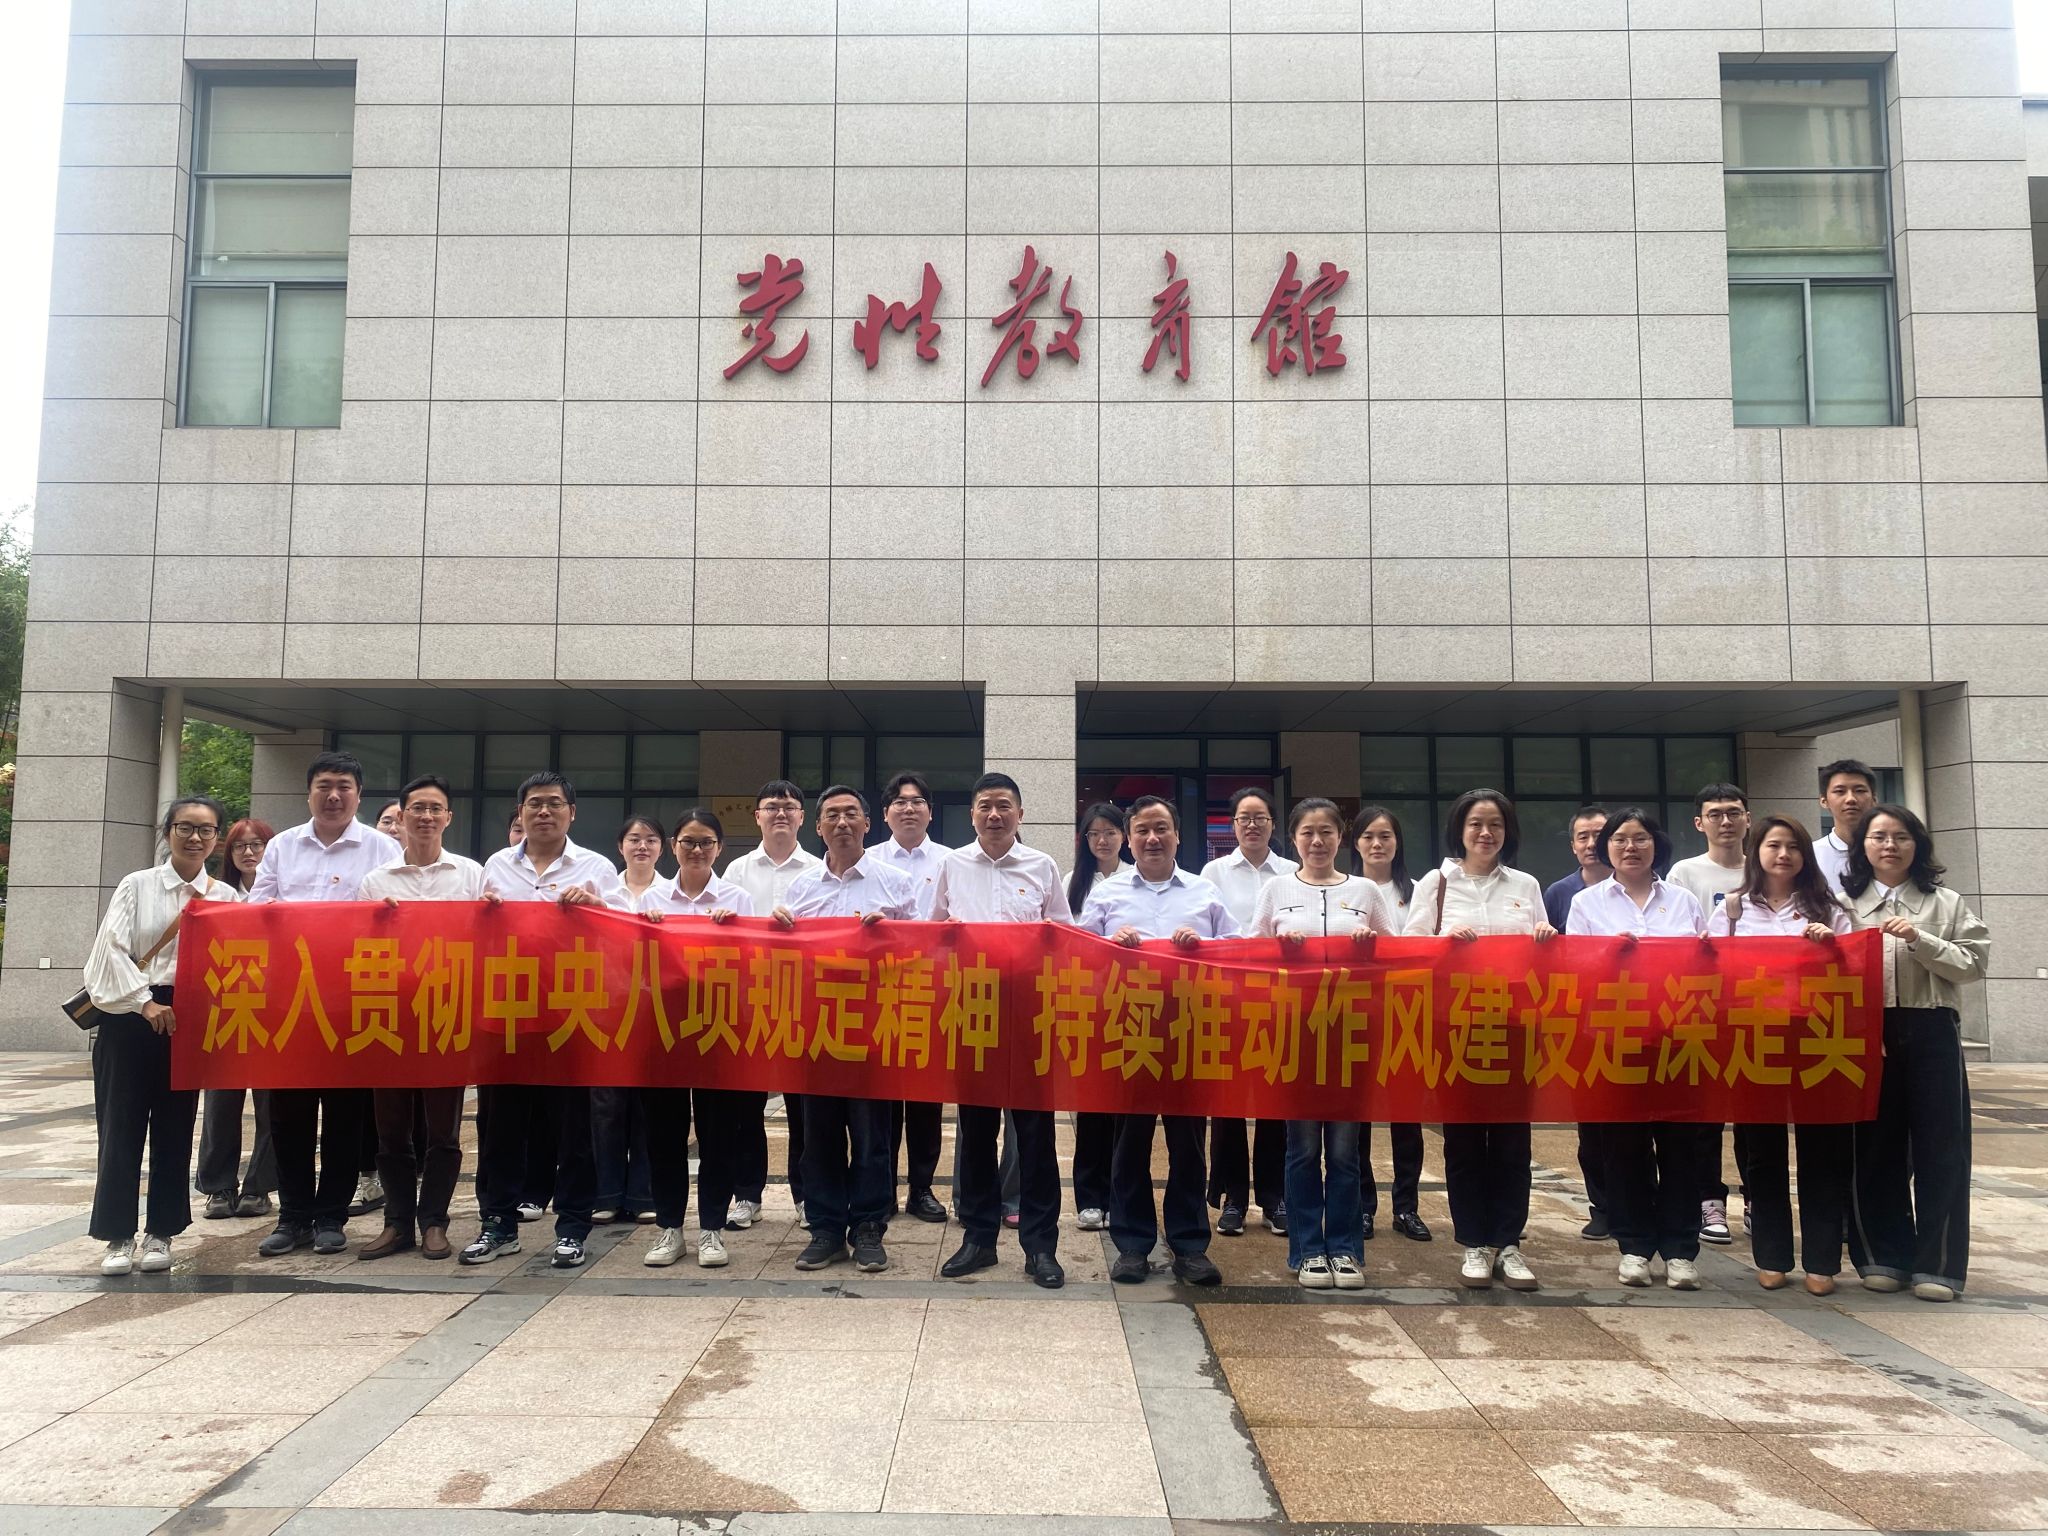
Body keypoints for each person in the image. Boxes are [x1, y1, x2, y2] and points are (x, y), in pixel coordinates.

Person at [462, 771, 628, 1269]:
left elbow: (626, 934)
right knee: (501, 1127)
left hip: (570, 1015)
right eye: (534, 803)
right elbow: (473, 939)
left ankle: (572, 1227)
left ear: (571, 813)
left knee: (573, 1128)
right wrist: (482, 913)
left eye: (554, 803)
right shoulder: (495, 866)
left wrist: (598, 907)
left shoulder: (596, 867)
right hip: (508, 1014)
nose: (544, 811)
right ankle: (498, 1223)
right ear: (520, 812)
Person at [248, 752, 402, 1258]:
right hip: (290, 1002)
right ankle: (293, 1216)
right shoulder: (283, 847)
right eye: (324, 786)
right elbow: (255, 911)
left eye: (343, 787)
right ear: (309, 792)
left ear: (358, 795)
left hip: (351, 1000)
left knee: (344, 1114)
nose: (333, 796)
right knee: (287, 1113)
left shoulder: (382, 848)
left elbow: (396, 919)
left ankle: (332, 1216)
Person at [1079, 795, 1233, 1287]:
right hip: (1128, 1033)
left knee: (1188, 1145)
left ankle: (1190, 1245)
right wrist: (1109, 946)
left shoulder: (1204, 892)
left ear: (1177, 836)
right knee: (1129, 1143)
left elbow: (1238, 952)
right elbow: (1079, 958)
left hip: (1190, 1032)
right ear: (1129, 839)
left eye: (1161, 828)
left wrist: (1204, 947)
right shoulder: (1107, 894)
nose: (1152, 838)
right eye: (1142, 830)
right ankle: (1132, 1244)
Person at [1405, 788, 1554, 1292]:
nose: (1486, 833)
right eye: (1476, 824)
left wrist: (1545, 938)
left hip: (1515, 1029)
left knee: (1513, 1140)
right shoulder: (1436, 884)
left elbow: (1543, 952)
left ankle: (1508, 1242)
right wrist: (1444, 943)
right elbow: (1410, 948)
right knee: (1465, 1139)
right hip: (1457, 1030)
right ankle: (1474, 1241)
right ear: (1459, 830)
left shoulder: (1525, 884)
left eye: (1495, 824)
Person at [929, 771, 1074, 1290]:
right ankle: (978, 1238)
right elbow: (932, 933)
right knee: (975, 1132)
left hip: (1031, 1014)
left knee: (1035, 1135)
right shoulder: (951, 865)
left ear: (1020, 814)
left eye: (1004, 806)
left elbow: (1062, 933)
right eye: (985, 806)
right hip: (972, 1014)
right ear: (971, 814)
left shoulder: (1042, 865)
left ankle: (1041, 1246)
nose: (994, 815)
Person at [1844, 804, 1990, 1303]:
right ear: (1863, 846)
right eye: (1879, 836)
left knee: (1941, 1147)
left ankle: (1939, 1265)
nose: (1890, 845)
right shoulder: (1843, 904)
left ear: (1917, 844)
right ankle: (1882, 1256)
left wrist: (1920, 940)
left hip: (1932, 1027)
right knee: (1873, 1144)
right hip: (1868, 1031)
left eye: (1901, 837)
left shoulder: (1946, 903)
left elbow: (1972, 964)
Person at [84, 796, 234, 1275]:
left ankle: (161, 1233)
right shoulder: (138, 884)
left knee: (175, 1126)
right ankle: (117, 1236)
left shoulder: (226, 897)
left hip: (188, 1022)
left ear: (217, 839)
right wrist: (145, 1002)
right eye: (184, 827)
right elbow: (110, 951)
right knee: (120, 1126)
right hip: (129, 1016)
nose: (195, 838)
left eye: (206, 830)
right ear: (168, 831)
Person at [1706, 815, 1856, 1294]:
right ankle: (1771, 1256)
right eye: (1773, 845)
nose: (1783, 854)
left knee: (1822, 1151)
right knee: (1761, 1151)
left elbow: (1855, 972)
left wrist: (1831, 948)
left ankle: (1822, 1262)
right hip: (1755, 1041)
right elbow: (1710, 971)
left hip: (1817, 1040)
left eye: (1793, 846)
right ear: (1757, 853)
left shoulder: (1829, 908)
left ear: (1805, 856)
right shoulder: (1732, 909)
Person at [773, 786, 917, 1273]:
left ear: (867, 823)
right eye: (831, 815)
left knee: (873, 1136)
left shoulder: (896, 884)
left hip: (875, 1030)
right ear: (817, 827)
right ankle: (827, 1229)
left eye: (851, 814)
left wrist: (893, 935)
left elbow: (924, 956)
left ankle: (869, 1227)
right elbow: (785, 961)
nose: (841, 822)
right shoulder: (801, 888)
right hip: (817, 1032)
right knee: (819, 1136)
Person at [1566, 807, 1708, 1290]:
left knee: (1680, 1147)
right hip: (1616, 1041)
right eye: (1621, 839)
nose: (1631, 847)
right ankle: (1633, 1246)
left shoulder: (1683, 900)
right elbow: (1574, 971)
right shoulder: (1587, 903)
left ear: (1656, 844)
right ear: (1606, 847)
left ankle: (1681, 1249)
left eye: (1641, 838)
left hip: (1678, 1040)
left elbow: (1707, 967)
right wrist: (1608, 956)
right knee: (1623, 1148)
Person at [1254, 799, 1392, 1290]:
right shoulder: (1276, 889)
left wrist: (1370, 948)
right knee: (1302, 1148)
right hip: (1297, 1036)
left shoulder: (1365, 891)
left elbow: (1399, 957)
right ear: (1293, 838)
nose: (1317, 841)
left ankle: (1347, 1249)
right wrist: (1279, 950)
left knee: (1345, 1151)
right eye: (1308, 832)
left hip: (1351, 1037)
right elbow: (1250, 956)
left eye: (1327, 832)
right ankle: (1308, 1249)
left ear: (1341, 837)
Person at [353, 775, 484, 1261]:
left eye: (435, 809)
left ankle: (434, 1222)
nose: (426, 817)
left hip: (447, 1014)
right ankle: (396, 1223)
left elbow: (490, 942)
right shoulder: (376, 882)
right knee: (391, 1130)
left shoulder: (471, 876)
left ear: (448, 817)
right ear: (402, 817)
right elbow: (355, 947)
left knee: (443, 1131)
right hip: (389, 1014)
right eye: (417, 809)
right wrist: (375, 921)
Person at [633, 809, 752, 1269]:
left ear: (719, 848)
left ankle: (712, 1230)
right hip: (662, 1033)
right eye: (688, 842)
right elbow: (632, 970)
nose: (696, 850)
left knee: (718, 1134)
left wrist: (735, 932)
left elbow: (757, 967)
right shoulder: (651, 900)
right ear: (673, 847)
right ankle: (670, 1228)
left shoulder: (738, 899)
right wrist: (648, 932)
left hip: (717, 1032)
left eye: (705, 842)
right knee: (664, 1135)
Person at [723, 779, 823, 1229]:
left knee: (805, 1109)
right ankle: (747, 1194)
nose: (780, 813)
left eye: (789, 807)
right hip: (749, 1003)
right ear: (757, 816)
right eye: (771, 807)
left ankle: (807, 1195)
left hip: (804, 1003)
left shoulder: (818, 869)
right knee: (746, 1108)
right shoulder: (737, 871)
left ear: (802, 817)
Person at [1200, 787, 1294, 1238]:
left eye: (1260, 818)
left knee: (1276, 1098)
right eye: (1244, 818)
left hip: (1282, 999)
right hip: (1228, 998)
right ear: (1232, 825)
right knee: (1229, 1103)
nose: (1252, 825)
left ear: (1273, 824)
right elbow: (1207, 933)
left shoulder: (1293, 873)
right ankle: (1233, 1196)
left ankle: (1274, 1197)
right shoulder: (1213, 873)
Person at [1667, 783, 1752, 1248]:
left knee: (1754, 1110)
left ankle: (1756, 1198)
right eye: (1715, 814)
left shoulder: (1764, 868)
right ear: (1699, 823)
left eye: (1733, 812)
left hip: (1755, 1007)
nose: (1725, 821)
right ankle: (1708, 1200)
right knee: (1704, 1114)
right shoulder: (1684, 873)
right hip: (1700, 1006)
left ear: (1747, 819)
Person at [868, 771, 948, 1226]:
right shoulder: (869, 860)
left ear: (930, 812)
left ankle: (921, 1188)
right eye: (900, 802)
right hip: (878, 995)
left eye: (917, 801)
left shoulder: (951, 861)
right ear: (885, 814)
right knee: (880, 1101)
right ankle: (880, 1190)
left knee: (925, 1100)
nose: (909, 808)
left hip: (931, 992)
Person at [1351, 806, 1430, 1244]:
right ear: (1356, 843)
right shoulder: (1347, 890)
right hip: (1359, 1015)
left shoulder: (1418, 892)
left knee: (1406, 1117)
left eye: (1385, 836)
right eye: (1368, 836)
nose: (1377, 844)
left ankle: (1406, 1206)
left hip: (1409, 1014)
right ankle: (1363, 1206)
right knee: (1358, 1118)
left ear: (1398, 842)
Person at [195, 816, 277, 1221]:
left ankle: (258, 1188)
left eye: (257, 844)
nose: (248, 852)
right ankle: (218, 1187)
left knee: (271, 1102)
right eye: (240, 846)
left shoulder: (283, 893)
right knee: (221, 1100)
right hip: (225, 1009)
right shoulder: (215, 895)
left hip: (275, 1010)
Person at [1539, 805, 1613, 1241]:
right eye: (1583, 837)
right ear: (1572, 845)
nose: (1591, 844)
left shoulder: (1659, 890)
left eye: (1599, 835)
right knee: (1593, 1123)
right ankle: (1602, 1206)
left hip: (1643, 1022)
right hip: (1584, 1025)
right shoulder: (1560, 893)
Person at [590, 814, 664, 1225]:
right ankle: (606, 1194)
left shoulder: (672, 895)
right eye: (634, 839)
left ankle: (643, 1194)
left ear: (662, 848)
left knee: (648, 1107)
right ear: (620, 846)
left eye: (650, 839)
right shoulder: (601, 892)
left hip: (656, 1015)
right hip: (606, 1011)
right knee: (606, 1105)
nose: (642, 846)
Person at [1066, 802, 1128, 1235]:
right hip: (1088, 1004)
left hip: (1130, 1003)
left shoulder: (1135, 877)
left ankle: (1119, 1195)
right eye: (1094, 833)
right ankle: (1089, 1197)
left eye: (1110, 832)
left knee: (1124, 1108)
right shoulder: (1072, 881)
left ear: (1124, 836)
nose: (1102, 840)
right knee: (1090, 1104)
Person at [1813, 759, 1877, 894]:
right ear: (1824, 801)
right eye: (1840, 791)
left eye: (1859, 790)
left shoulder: (1888, 851)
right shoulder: (1811, 855)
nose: (1850, 799)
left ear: (1874, 799)